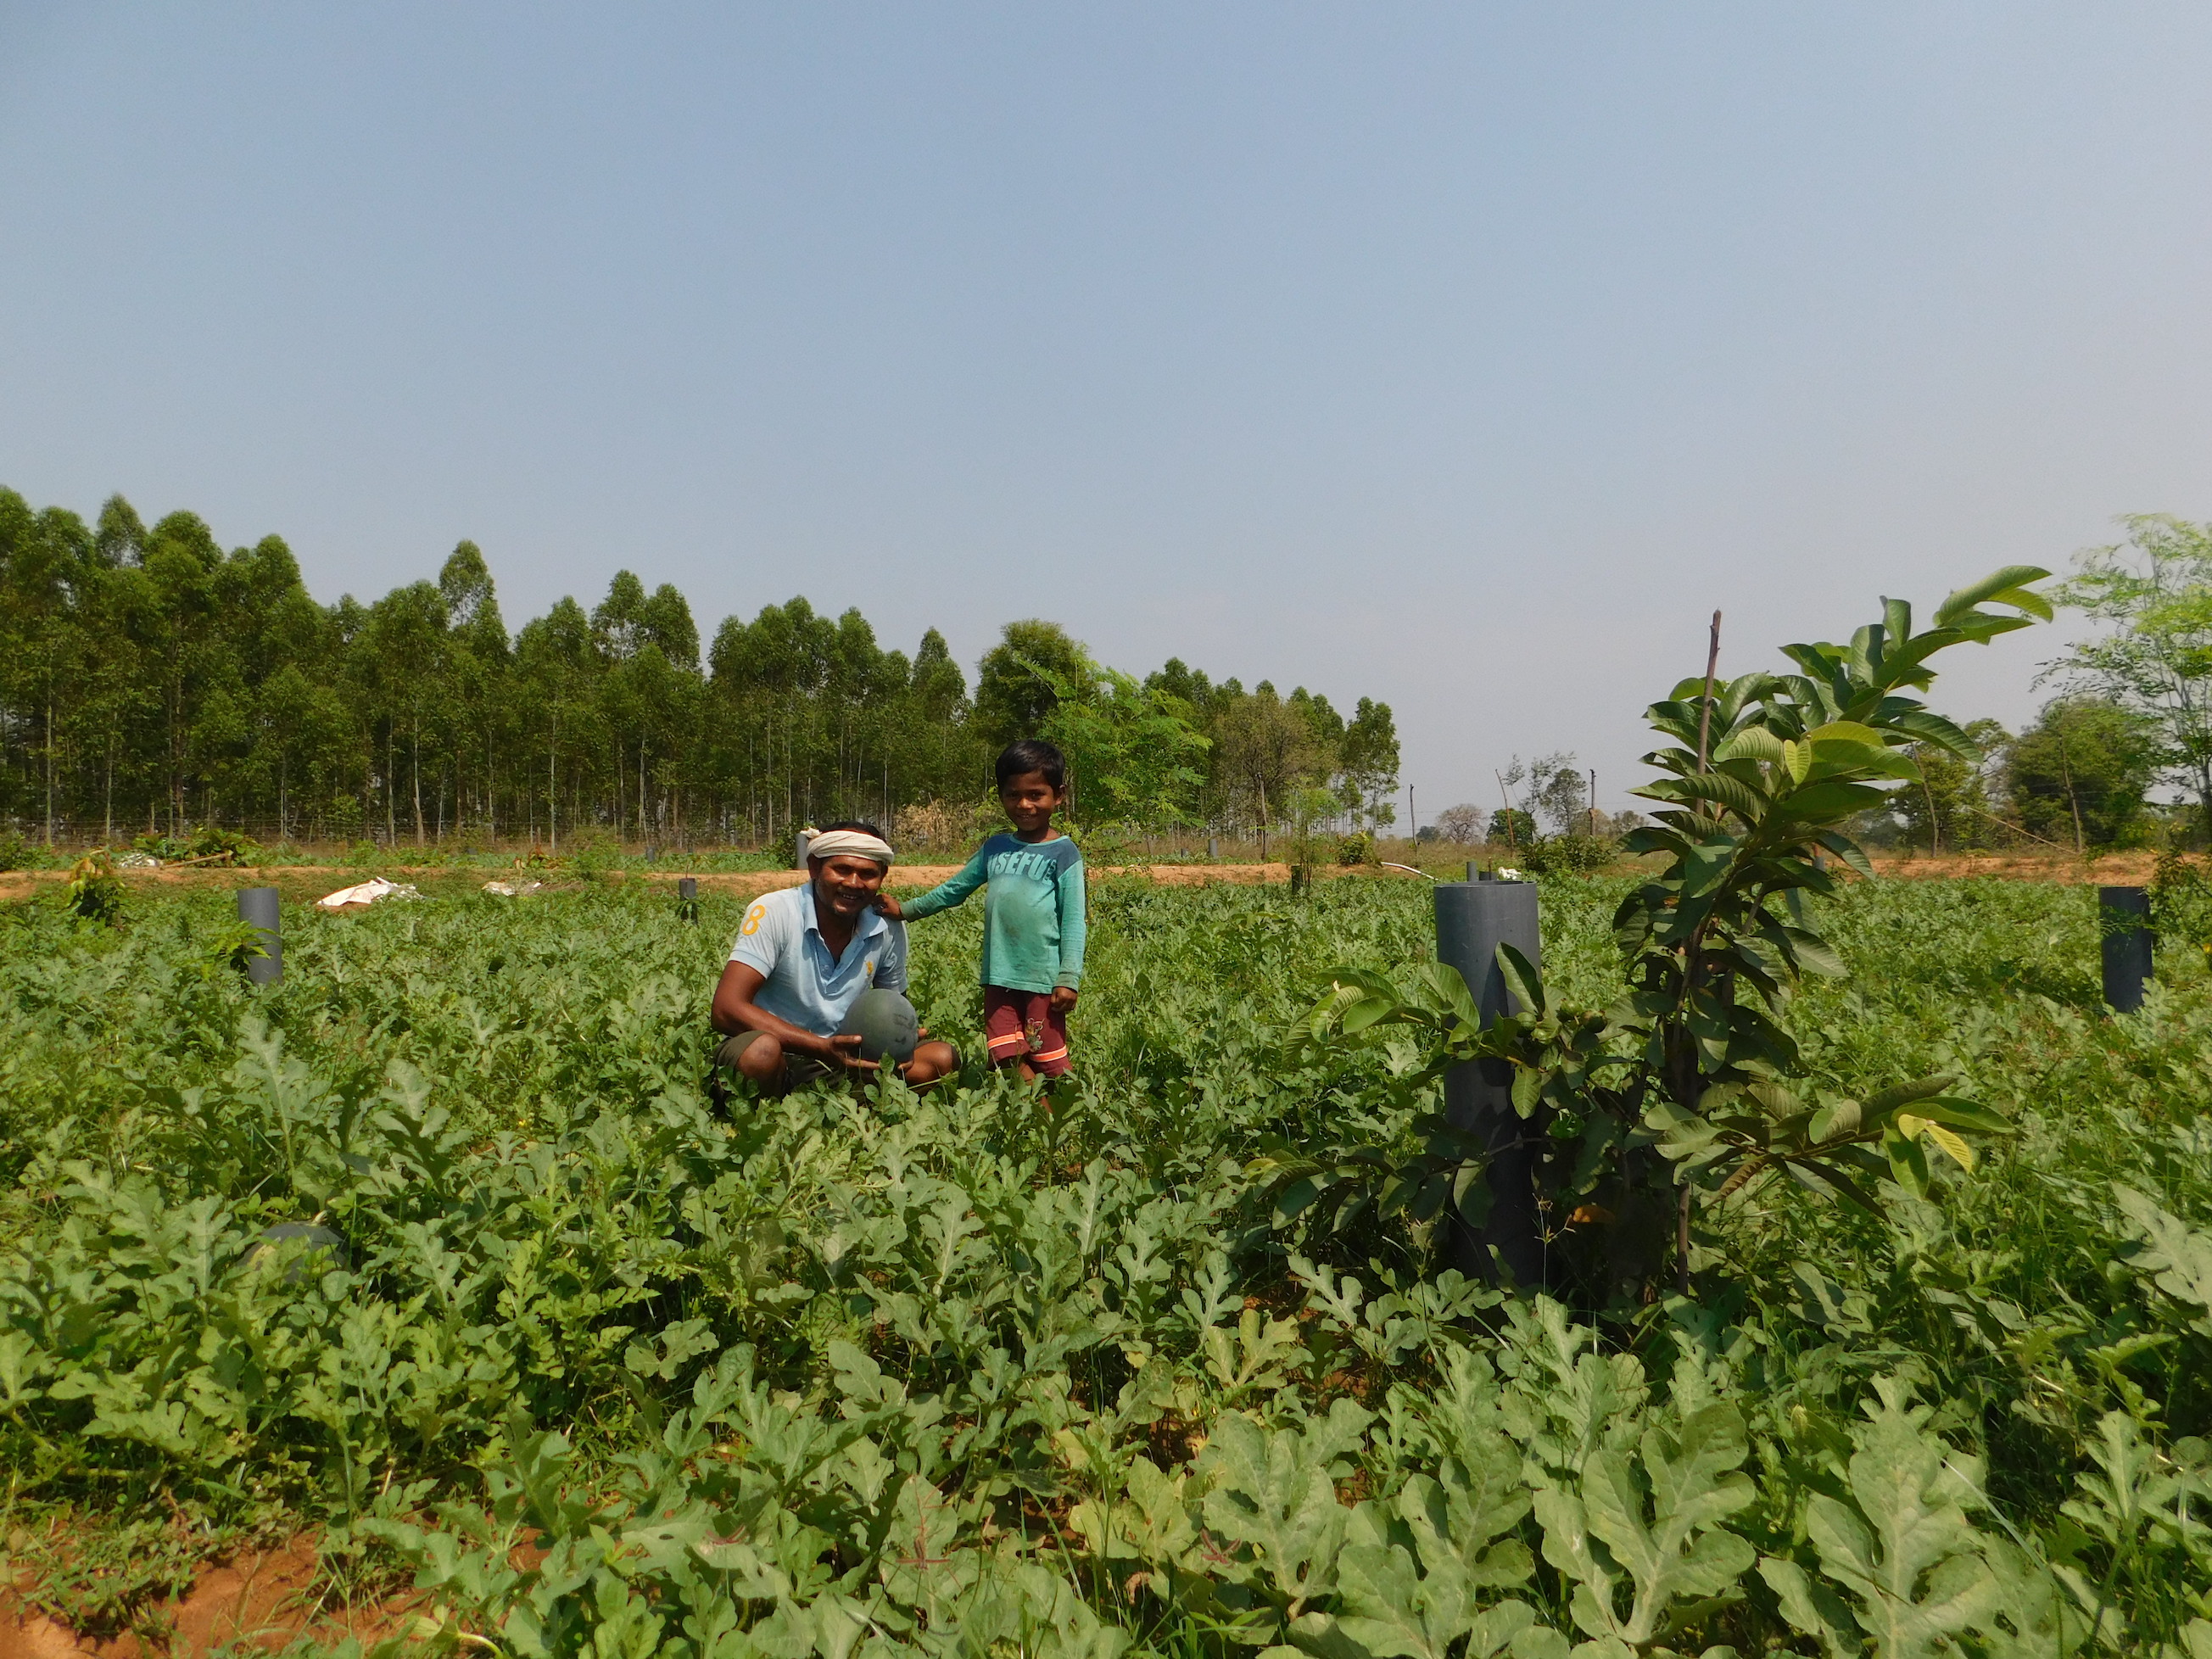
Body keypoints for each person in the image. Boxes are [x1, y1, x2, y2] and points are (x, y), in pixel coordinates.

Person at [874, 740, 1086, 1084]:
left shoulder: (1064, 853)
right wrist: (906, 911)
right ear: (1001, 796)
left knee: (1046, 1057)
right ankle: (1033, 1116)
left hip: (1042, 981)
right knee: (1004, 1054)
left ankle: (1069, 1118)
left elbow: (1074, 920)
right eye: (1013, 795)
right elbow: (954, 890)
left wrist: (1068, 978)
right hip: (999, 975)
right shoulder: (995, 849)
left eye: (1036, 795)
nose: (1024, 805)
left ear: (1058, 795)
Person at [710, 820, 959, 1096]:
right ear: (815, 867)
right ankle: (767, 1117)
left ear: (883, 876)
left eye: (868, 874)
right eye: (841, 869)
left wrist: (902, 1037)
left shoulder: (886, 925)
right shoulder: (774, 911)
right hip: (778, 1050)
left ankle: (836, 1104)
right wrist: (821, 1047)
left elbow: (893, 1004)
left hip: (842, 1058)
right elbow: (726, 1010)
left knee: (940, 1059)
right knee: (761, 1053)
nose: (854, 883)